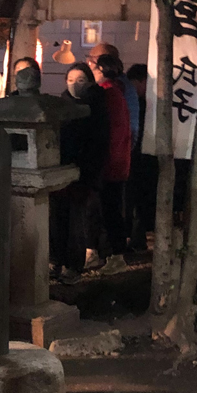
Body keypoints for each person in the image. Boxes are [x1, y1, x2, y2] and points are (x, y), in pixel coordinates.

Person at [49, 63, 109, 284]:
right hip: (61, 171)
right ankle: (56, 260)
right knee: (57, 219)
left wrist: (89, 171)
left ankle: (74, 265)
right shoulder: (61, 105)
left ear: (90, 81)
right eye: (70, 80)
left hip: (84, 173)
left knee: (78, 222)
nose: (75, 84)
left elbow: (100, 143)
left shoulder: (97, 105)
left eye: (81, 80)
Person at [89, 53, 132, 275]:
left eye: (93, 67)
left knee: (110, 211)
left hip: (110, 163)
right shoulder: (115, 91)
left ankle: (116, 255)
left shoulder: (108, 93)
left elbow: (113, 133)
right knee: (105, 210)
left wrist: (101, 160)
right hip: (115, 161)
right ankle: (105, 253)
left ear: (102, 69)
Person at [125, 63, 157, 251]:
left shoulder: (136, 101)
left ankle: (137, 237)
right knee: (136, 199)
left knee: (137, 199)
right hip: (138, 157)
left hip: (137, 158)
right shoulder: (138, 102)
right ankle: (136, 236)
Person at [89, 43, 138, 149]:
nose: (88, 64)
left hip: (119, 142)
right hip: (125, 140)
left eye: (91, 59)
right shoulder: (122, 81)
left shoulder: (112, 86)